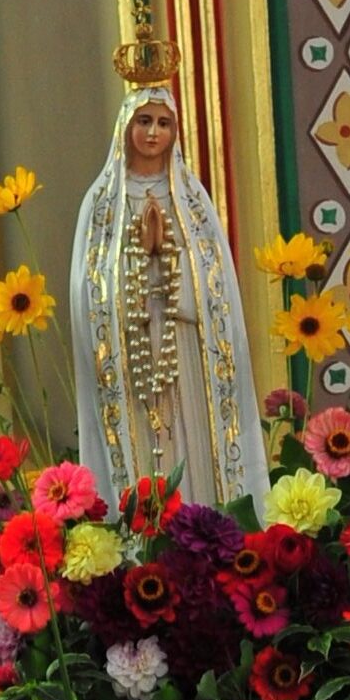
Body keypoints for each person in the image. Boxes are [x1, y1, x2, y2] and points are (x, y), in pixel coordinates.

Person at [70, 84, 268, 513]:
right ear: (126, 127)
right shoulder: (103, 203)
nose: (153, 133)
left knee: (192, 447)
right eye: (144, 121)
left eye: (163, 123)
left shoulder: (192, 200)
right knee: (144, 454)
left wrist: (168, 260)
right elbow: (90, 291)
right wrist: (140, 256)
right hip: (132, 353)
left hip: (186, 349)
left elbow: (216, 286)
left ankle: (204, 525)